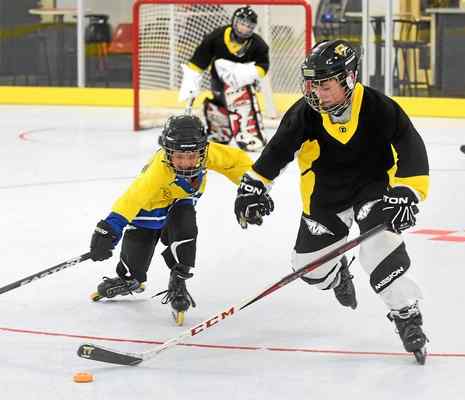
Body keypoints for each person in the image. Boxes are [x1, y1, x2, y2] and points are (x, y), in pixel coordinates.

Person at [233, 39, 430, 363]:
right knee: (306, 269)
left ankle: (407, 314)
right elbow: (275, 154)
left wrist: (408, 193)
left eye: (325, 85)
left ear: (349, 79)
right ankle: (338, 275)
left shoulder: (379, 108)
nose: (317, 93)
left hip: (373, 190)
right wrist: (253, 186)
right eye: (313, 84)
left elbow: (412, 150)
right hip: (324, 199)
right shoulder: (304, 114)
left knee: (380, 247)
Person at [88, 114, 254, 326]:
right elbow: (134, 197)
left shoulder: (210, 153)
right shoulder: (159, 169)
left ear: (203, 150)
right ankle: (131, 278)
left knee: (185, 228)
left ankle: (179, 281)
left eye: (192, 155)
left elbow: (238, 162)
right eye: (179, 156)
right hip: (149, 209)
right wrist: (109, 227)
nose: (186, 163)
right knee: (136, 256)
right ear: (167, 152)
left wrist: (252, 190)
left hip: (180, 202)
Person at [178, 6, 269, 152]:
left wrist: (241, 74)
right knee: (216, 107)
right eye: (242, 24)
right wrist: (191, 82)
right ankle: (219, 134)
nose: (244, 29)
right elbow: (198, 61)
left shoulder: (258, 44)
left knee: (242, 103)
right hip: (217, 83)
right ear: (234, 22)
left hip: (241, 86)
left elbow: (262, 67)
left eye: (248, 26)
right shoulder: (216, 37)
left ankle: (250, 136)